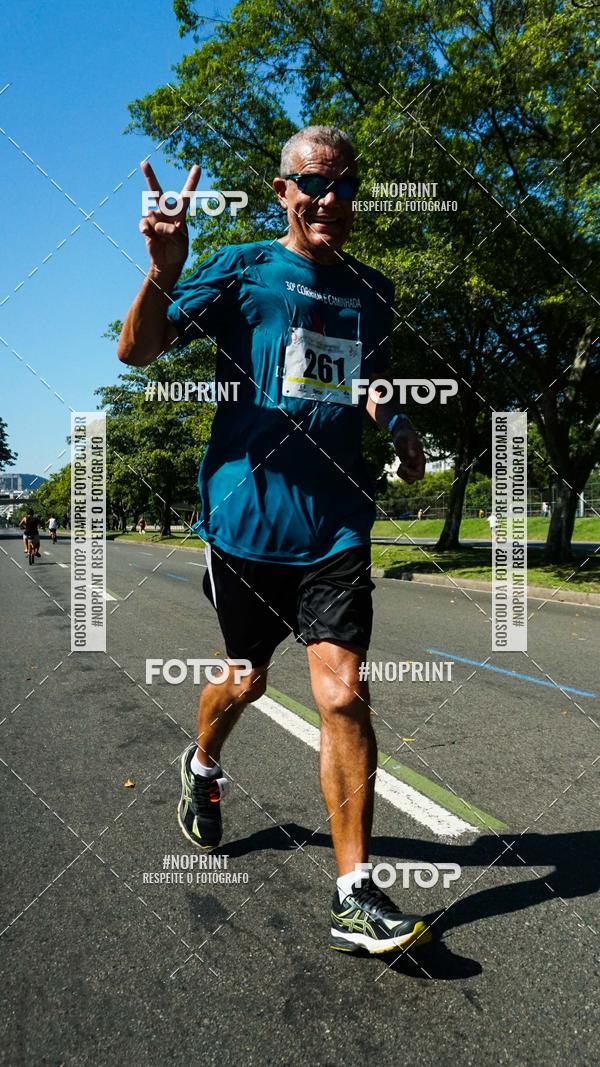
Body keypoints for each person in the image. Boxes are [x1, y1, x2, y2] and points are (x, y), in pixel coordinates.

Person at [118, 125, 430, 957]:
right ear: (283, 191)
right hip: (247, 522)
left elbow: (367, 382)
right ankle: (204, 764)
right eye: (313, 185)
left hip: (335, 524)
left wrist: (397, 425)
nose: (329, 200)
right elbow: (135, 349)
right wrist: (166, 266)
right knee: (248, 680)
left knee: (342, 694)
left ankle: (353, 892)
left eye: (344, 187)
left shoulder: (373, 290)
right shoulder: (243, 269)